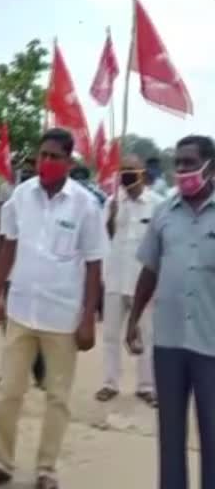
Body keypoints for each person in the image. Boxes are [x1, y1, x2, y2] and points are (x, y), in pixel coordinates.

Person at [0, 128, 105, 489]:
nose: (46, 162)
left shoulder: (85, 205)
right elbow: (7, 247)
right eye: (42, 156)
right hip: (21, 311)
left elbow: (94, 264)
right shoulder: (20, 196)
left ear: (69, 161)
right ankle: (2, 463)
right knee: (9, 392)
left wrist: (88, 318)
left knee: (57, 398)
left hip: (62, 317)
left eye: (54, 156)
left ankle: (46, 470)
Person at [128, 135, 215, 489]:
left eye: (189, 163)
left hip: (211, 345)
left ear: (210, 167)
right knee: (170, 436)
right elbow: (149, 270)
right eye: (177, 162)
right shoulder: (164, 211)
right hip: (169, 343)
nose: (181, 170)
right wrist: (133, 319)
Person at [95, 154, 163, 408]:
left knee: (146, 336)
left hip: (143, 283)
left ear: (143, 173)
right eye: (122, 170)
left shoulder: (157, 204)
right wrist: (112, 216)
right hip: (114, 279)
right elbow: (106, 237)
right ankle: (109, 383)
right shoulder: (113, 202)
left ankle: (146, 386)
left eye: (131, 170)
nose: (126, 174)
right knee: (111, 334)